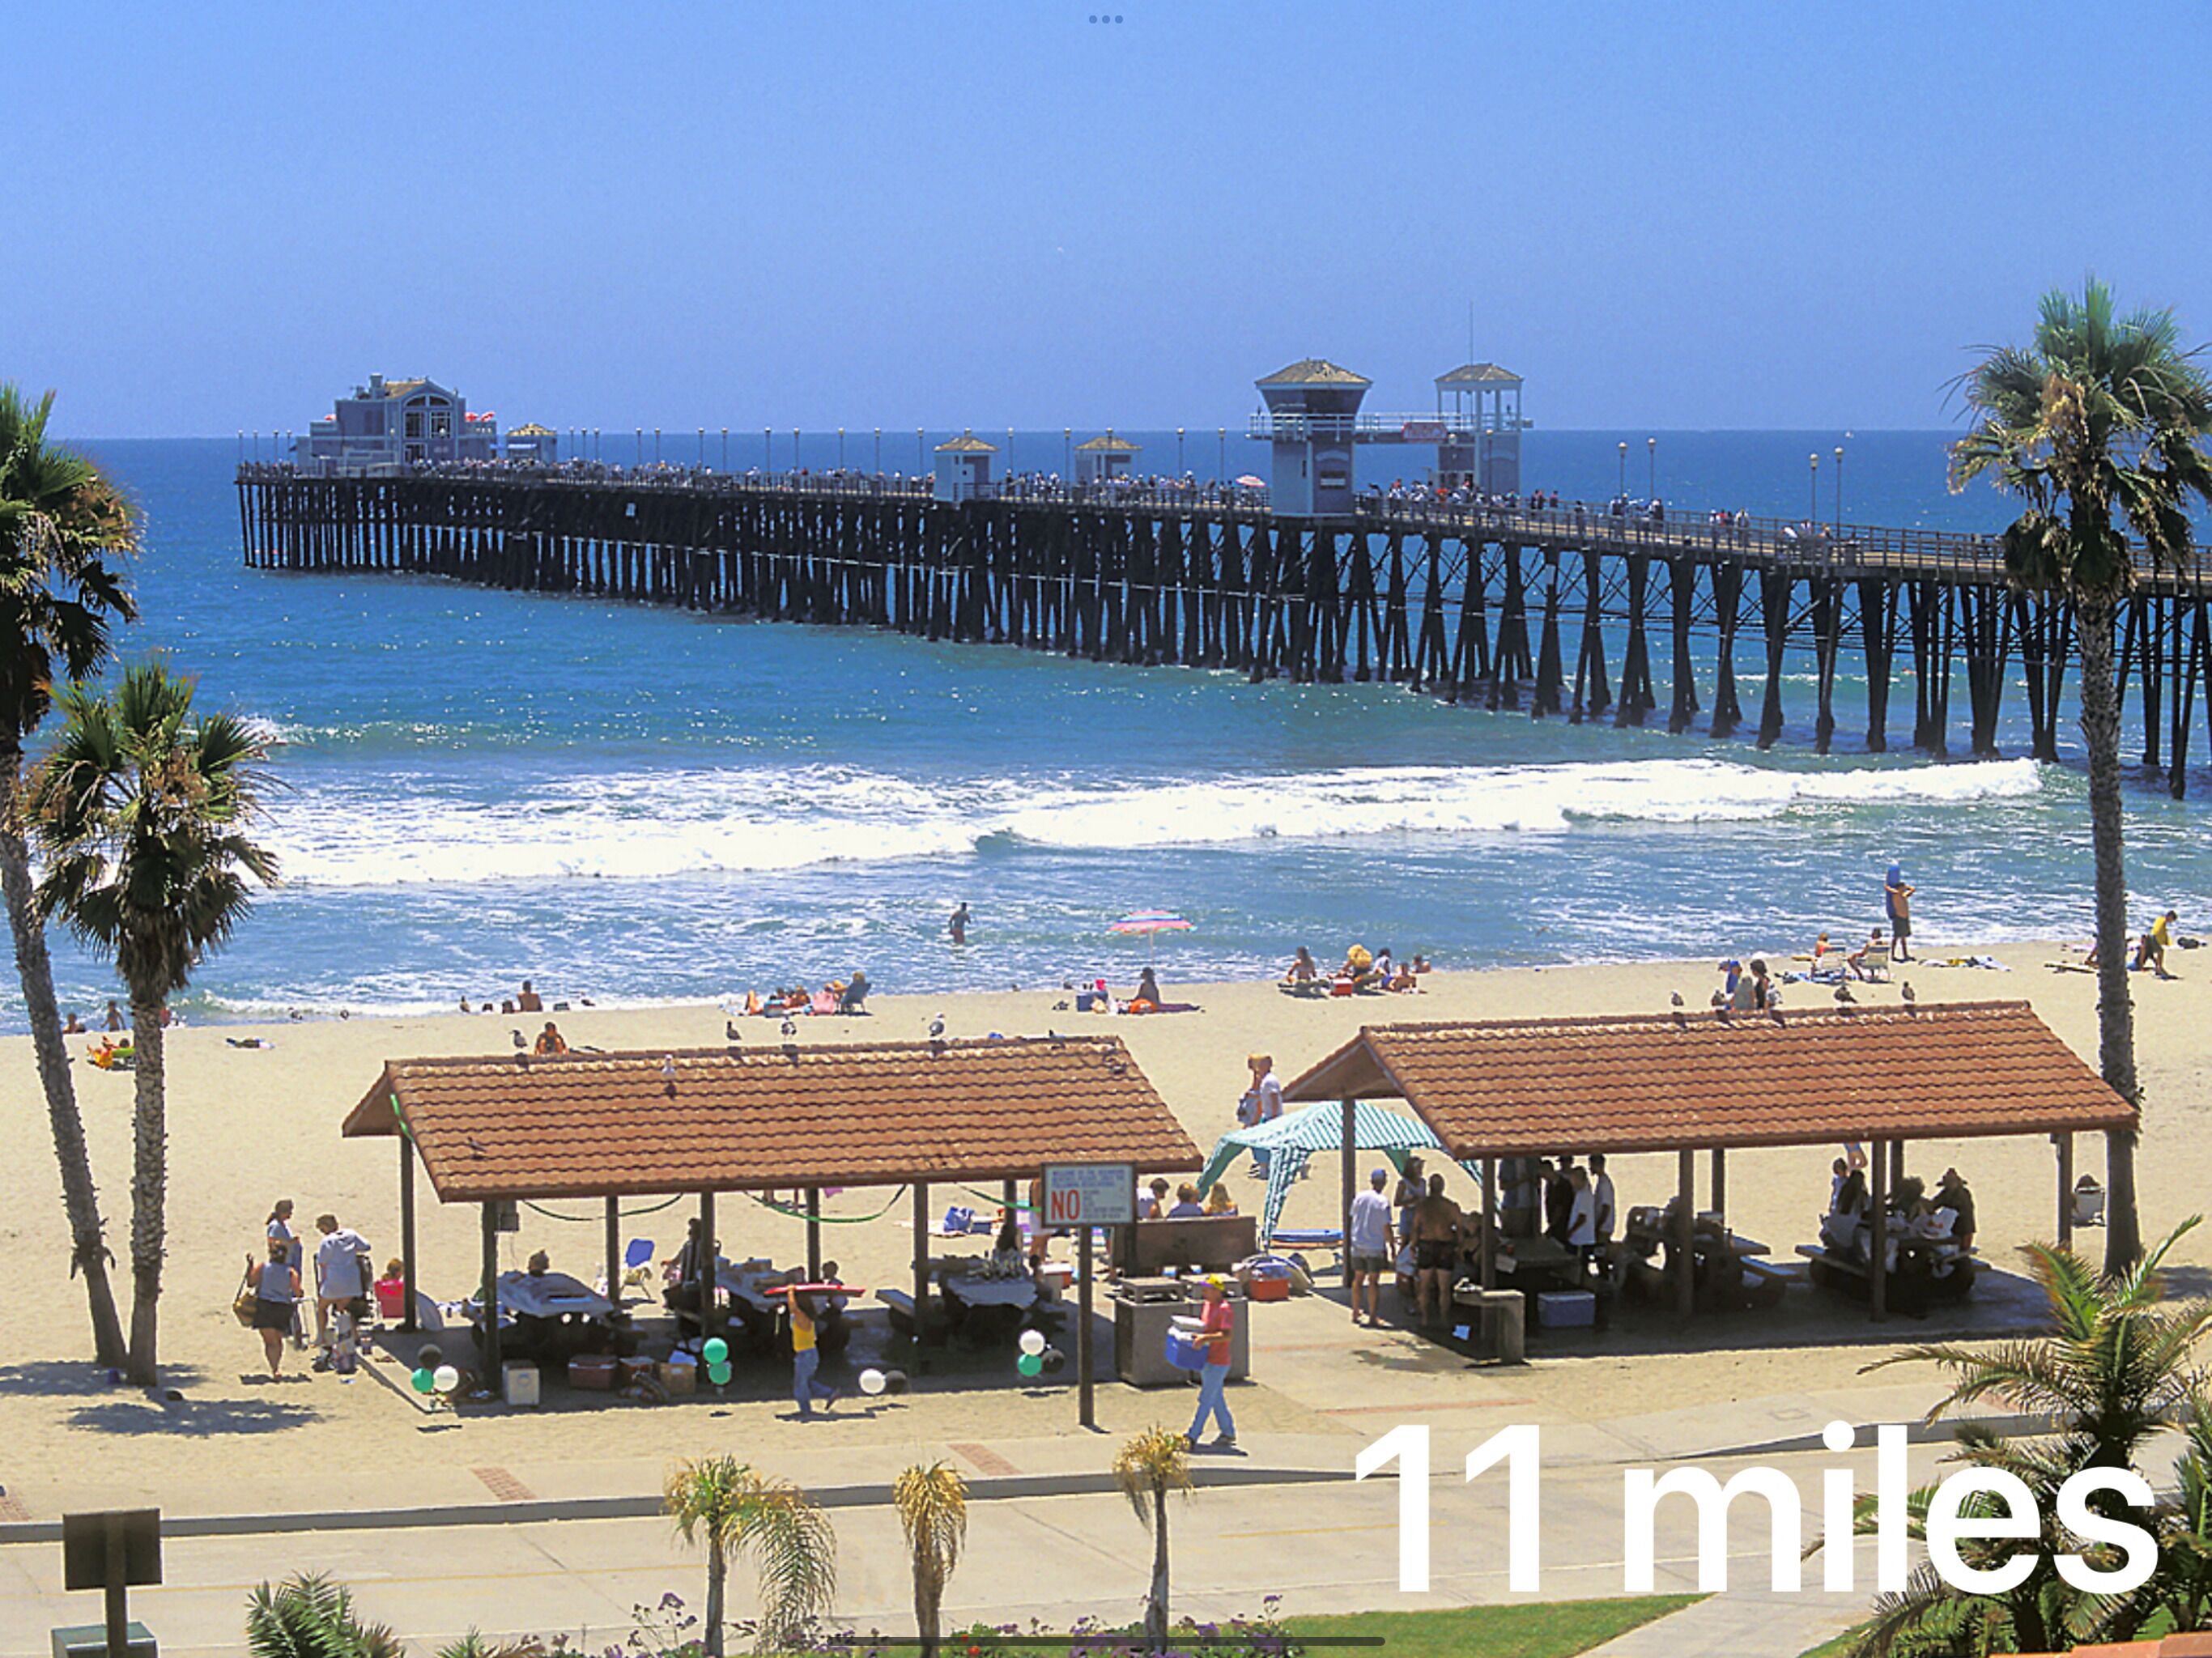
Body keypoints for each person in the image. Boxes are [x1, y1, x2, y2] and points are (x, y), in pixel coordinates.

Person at [1185, 1275, 1236, 1450]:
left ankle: (1193, 1435)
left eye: (1207, 1289)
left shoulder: (1225, 1309)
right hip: (1207, 1358)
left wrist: (1204, 1338)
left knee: (1206, 1398)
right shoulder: (1207, 1305)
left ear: (1216, 1291)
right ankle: (1228, 1431)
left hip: (1219, 1361)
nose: (1204, 1292)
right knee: (1215, 1398)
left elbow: (1227, 1335)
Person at [1409, 1173, 1462, 1329]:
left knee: (1424, 1285)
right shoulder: (1451, 1206)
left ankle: (1425, 1319)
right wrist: (1459, 1246)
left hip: (1426, 1245)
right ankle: (1444, 1318)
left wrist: (1413, 1245)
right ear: (1443, 1187)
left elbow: (1415, 1228)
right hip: (1445, 1246)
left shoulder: (1422, 1206)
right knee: (1444, 1287)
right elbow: (1459, 1228)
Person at [246, 1236, 301, 1378]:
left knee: (270, 1342)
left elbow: (251, 1283)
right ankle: (276, 1368)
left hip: (265, 1305)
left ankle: (274, 1368)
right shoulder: (290, 1272)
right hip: (282, 1307)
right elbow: (298, 1292)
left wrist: (250, 1265)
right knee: (278, 1339)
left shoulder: (263, 1267)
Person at [1347, 1168, 1396, 1327]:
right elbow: (1386, 1227)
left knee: (1358, 1278)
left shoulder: (1360, 1197)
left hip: (1358, 1243)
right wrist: (1392, 1245)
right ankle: (1373, 1315)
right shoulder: (1382, 1201)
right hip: (1374, 1246)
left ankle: (1355, 1310)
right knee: (1373, 1281)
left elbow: (1352, 1216)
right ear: (1384, 1182)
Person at [313, 1213, 371, 1345]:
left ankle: (321, 1336)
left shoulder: (327, 1241)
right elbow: (366, 1246)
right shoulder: (350, 1234)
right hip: (351, 1280)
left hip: (334, 1280)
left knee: (322, 1308)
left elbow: (322, 1262)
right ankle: (354, 1336)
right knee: (344, 1309)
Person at [784, 1286, 840, 1420]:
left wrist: (790, 1292)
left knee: (801, 1384)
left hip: (805, 1354)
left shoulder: (802, 1316)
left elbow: (793, 1308)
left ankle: (805, 1409)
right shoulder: (808, 1316)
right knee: (807, 1381)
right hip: (808, 1353)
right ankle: (829, 1393)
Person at [1936, 1168, 1976, 1251]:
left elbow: (1961, 1208)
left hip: (1965, 1229)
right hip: (1952, 1228)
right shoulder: (1945, 1193)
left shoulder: (1963, 1194)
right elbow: (1934, 1204)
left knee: (1962, 1251)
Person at [2133, 909, 2179, 976]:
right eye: (2172, 919)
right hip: (2153, 937)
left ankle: (2157, 967)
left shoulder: (2160, 919)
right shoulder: (2162, 921)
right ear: (2170, 916)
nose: (2171, 921)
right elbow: (2158, 932)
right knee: (2160, 951)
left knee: (2153, 952)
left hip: (2151, 936)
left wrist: (2166, 941)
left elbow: (2162, 932)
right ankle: (2158, 968)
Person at [1885, 863, 1915, 962]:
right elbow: (1887, 888)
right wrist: (1892, 884)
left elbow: (1913, 889)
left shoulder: (1904, 896)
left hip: (1905, 918)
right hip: (1898, 918)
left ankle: (1905, 954)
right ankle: (1892, 955)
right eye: (1902, 888)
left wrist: (1906, 887)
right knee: (1896, 937)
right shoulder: (1896, 895)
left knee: (1904, 938)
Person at [1589, 1153, 1617, 1250]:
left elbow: (1606, 1207)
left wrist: (1598, 1226)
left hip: (1604, 1227)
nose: (1590, 1168)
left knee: (1601, 1253)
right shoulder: (1601, 1182)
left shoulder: (1604, 1184)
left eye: (1591, 1165)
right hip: (1603, 1226)